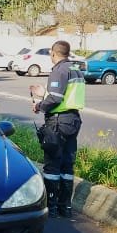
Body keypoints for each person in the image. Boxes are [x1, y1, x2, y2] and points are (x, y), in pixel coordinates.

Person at [30, 40, 85, 218]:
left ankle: (51, 208)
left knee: (52, 165)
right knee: (67, 166)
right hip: (73, 120)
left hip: (59, 122)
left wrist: (39, 105)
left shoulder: (59, 70)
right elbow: (65, 96)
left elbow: (55, 99)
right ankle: (65, 207)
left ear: (53, 53)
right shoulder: (75, 69)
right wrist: (45, 93)